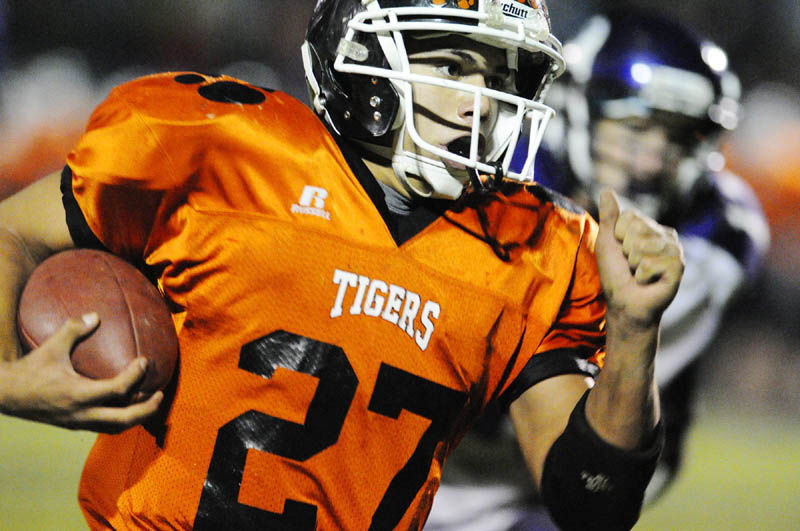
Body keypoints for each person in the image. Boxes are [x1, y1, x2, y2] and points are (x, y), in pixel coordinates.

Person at [0, 2, 684, 530]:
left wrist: (633, 329)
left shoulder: (535, 247)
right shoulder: (224, 150)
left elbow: (593, 502)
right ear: (362, 60)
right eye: (453, 68)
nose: (482, 101)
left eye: (500, 76)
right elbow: (12, 231)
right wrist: (5, 372)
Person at [427, 8, 769, 530]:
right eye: (633, 129)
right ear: (574, 110)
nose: (652, 161)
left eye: (677, 139)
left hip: (533, 495)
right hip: (425, 469)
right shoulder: (495, 188)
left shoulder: (716, 242)